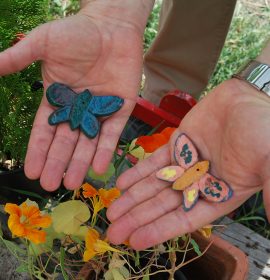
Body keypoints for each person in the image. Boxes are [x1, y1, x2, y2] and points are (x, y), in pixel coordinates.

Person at [0, 0, 269, 250]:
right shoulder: (94, 105)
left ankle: (162, 108)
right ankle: (158, 107)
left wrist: (259, 96)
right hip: (93, 112)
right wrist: (113, 12)